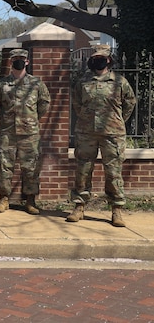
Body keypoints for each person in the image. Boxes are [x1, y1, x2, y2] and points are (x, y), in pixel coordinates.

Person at [67, 44, 136, 227]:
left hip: (112, 135)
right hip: (86, 133)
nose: (99, 60)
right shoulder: (83, 82)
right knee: (83, 170)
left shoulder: (119, 82)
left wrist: (117, 120)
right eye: (96, 57)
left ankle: (117, 210)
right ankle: (79, 206)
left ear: (108, 60)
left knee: (113, 173)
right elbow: (77, 103)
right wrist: (86, 118)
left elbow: (130, 103)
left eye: (102, 57)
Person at [0, 48, 51, 215]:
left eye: (21, 59)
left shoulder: (36, 84)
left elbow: (44, 104)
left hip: (30, 133)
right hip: (8, 132)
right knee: (4, 165)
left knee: (31, 168)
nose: (18, 61)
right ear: (10, 62)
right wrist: (5, 119)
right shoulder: (2, 84)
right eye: (15, 58)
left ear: (27, 62)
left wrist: (31, 119)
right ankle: (4, 199)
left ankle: (30, 201)